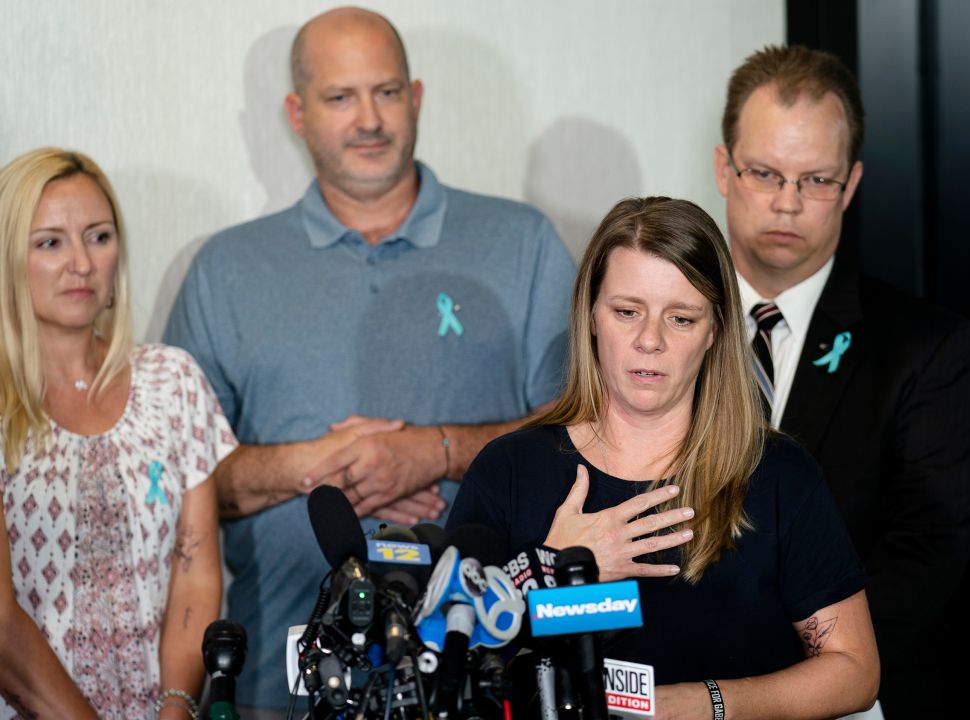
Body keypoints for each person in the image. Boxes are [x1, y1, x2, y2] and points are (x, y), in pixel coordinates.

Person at [162, 8, 575, 713]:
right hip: (279, 687)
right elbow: (177, 491)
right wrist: (319, 465)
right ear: (296, 113)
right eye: (339, 97)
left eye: (386, 93)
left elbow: (584, 438)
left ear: (416, 98)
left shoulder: (524, 244)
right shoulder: (224, 270)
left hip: (490, 678)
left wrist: (438, 452)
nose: (369, 120)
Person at [451, 196, 880, 718]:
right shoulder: (509, 470)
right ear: (590, 315)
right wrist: (553, 571)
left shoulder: (775, 474)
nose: (649, 340)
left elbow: (854, 671)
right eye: (626, 312)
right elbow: (457, 665)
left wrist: (701, 705)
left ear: (716, 330)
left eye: (680, 318)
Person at [712, 46, 970, 718]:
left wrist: (779, 680)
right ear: (723, 168)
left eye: (816, 181)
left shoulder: (926, 348)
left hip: (857, 697)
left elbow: (927, 552)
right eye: (765, 173)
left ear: (853, 183)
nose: (786, 202)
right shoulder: (662, 332)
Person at [0, 148, 232, 719]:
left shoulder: (173, 380)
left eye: (98, 237)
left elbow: (195, 573)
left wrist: (177, 708)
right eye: (50, 242)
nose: (81, 262)